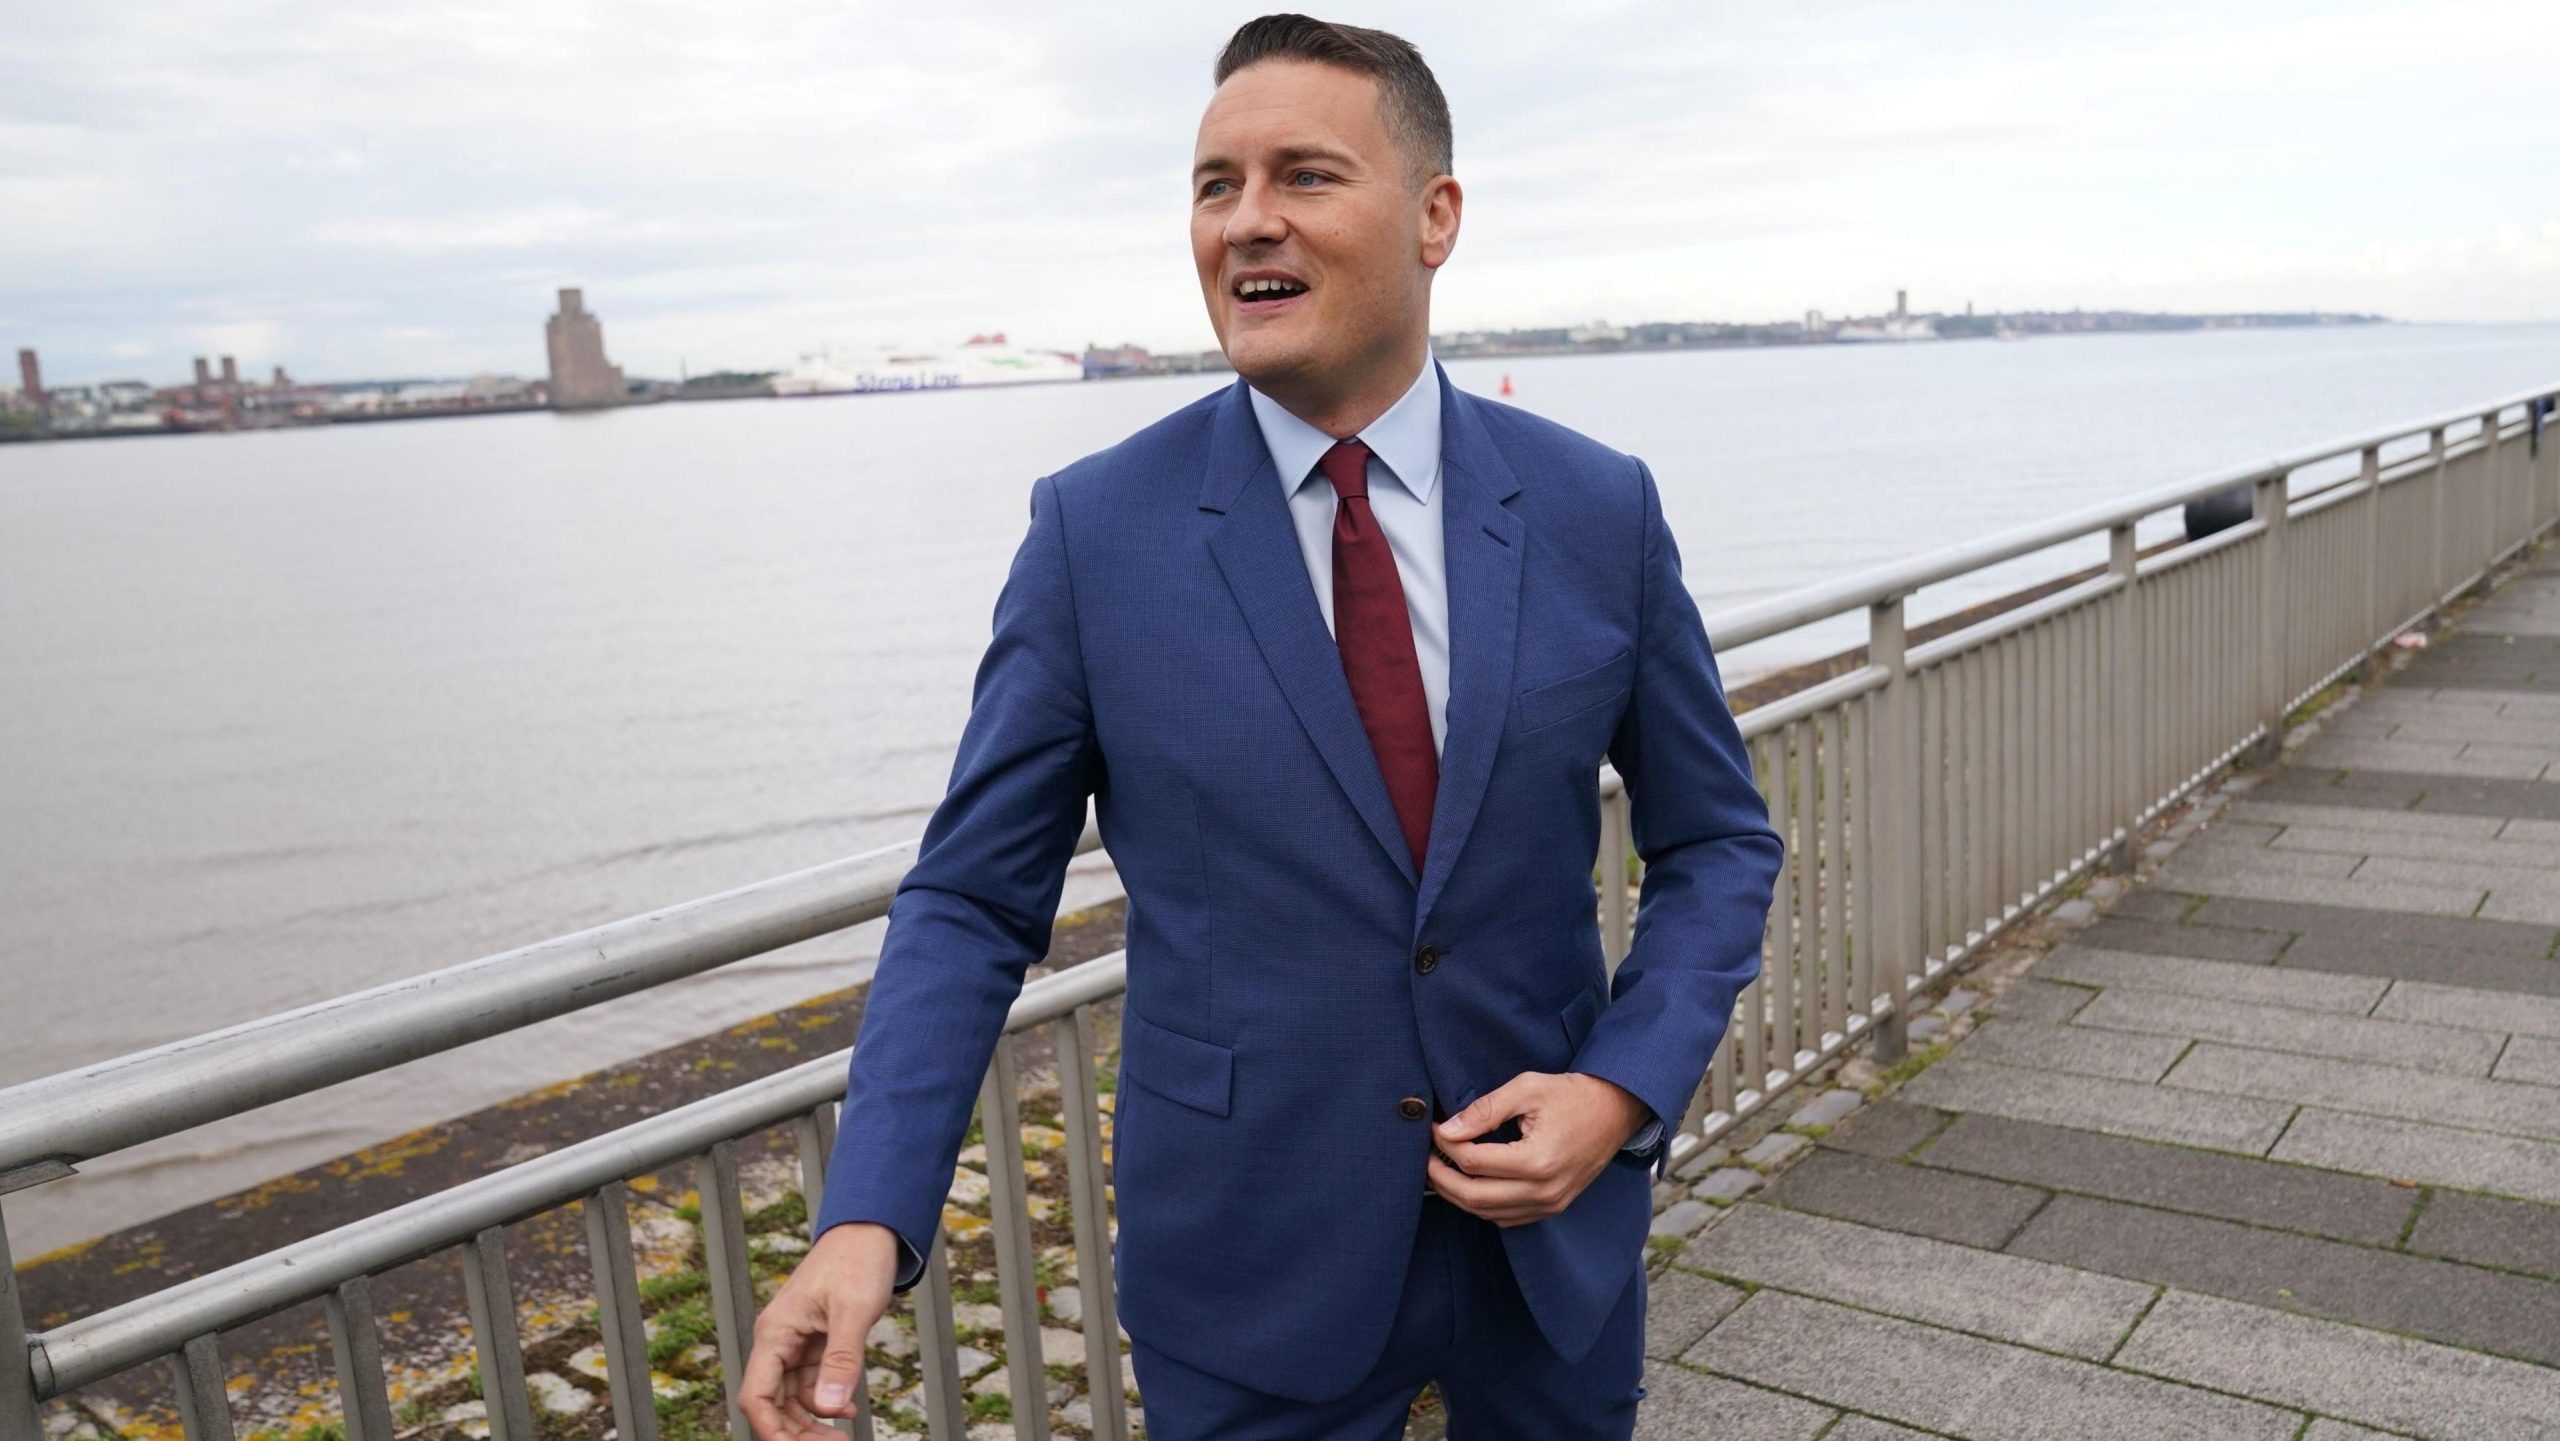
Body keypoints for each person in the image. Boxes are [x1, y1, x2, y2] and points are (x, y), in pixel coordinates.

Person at [741, 14, 1780, 1439]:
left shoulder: (1599, 507)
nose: (1247, 222)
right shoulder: (1093, 534)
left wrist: (1620, 1086)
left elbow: (1717, 838)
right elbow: (973, 902)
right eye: (1214, 184)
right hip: (1248, 1264)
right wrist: (868, 1219)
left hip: (1551, 1255)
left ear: (1435, 217)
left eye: (1302, 175)